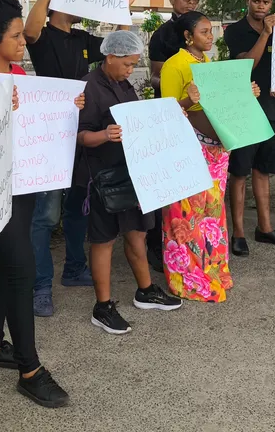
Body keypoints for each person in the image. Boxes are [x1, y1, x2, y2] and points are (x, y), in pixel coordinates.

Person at [0, 0, 71, 408]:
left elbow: (41, 121)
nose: (23, 41)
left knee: (7, 265)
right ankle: (30, 368)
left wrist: (68, 107)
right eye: (15, 36)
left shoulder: (20, 77)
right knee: (21, 268)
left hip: (24, 186)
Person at [23, 0, 136, 316]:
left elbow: (117, 45)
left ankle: (74, 268)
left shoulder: (86, 39)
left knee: (77, 209)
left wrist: (125, 5)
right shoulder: (44, 37)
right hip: (49, 137)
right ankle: (41, 285)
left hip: (83, 137)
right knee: (45, 215)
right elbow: (30, 30)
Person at [78, 30, 182, 333]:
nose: (130, 70)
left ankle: (146, 289)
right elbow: (79, 134)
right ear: (110, 56)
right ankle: (103, 306)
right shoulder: (88, 86)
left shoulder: (124, 85)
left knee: (137, 231)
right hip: (103, 178)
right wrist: (103, 135)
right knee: (104, 240)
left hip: (134, 171)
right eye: (127, 64)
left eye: (134, 65)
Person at [160, 11, 242, 302]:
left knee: (211, 210)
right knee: (186, 212)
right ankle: (185, 275)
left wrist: (246, 93)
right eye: (205, 32)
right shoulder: (175, 65)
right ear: (188, 36)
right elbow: (166, 113)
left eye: (211, 32)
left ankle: (210, 266)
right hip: (189, 146)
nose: (211, 37)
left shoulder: (207, 63)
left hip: (215, 149)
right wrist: (187, 100)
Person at [222, 0, 275, 256]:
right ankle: (238, 232)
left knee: (263, 170)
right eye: (256, 1)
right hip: (243, 109)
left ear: (272, 2)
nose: (261, 6)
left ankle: (265, 228)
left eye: (266, 2)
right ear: (247, 1)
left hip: (272, 108)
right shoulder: (235, 30)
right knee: (240, 172)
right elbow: (246, 66)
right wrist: (265, 33)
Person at [146, 0, 200, 272]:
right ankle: (156, 244)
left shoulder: (202, 30)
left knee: (188, 181)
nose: (191, 2)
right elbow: (154, 76)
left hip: (198, 117)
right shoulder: (162, 35)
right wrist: (176, 82)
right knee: (164, 182)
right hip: (170, 113)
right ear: (172, 0)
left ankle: (187, 238)